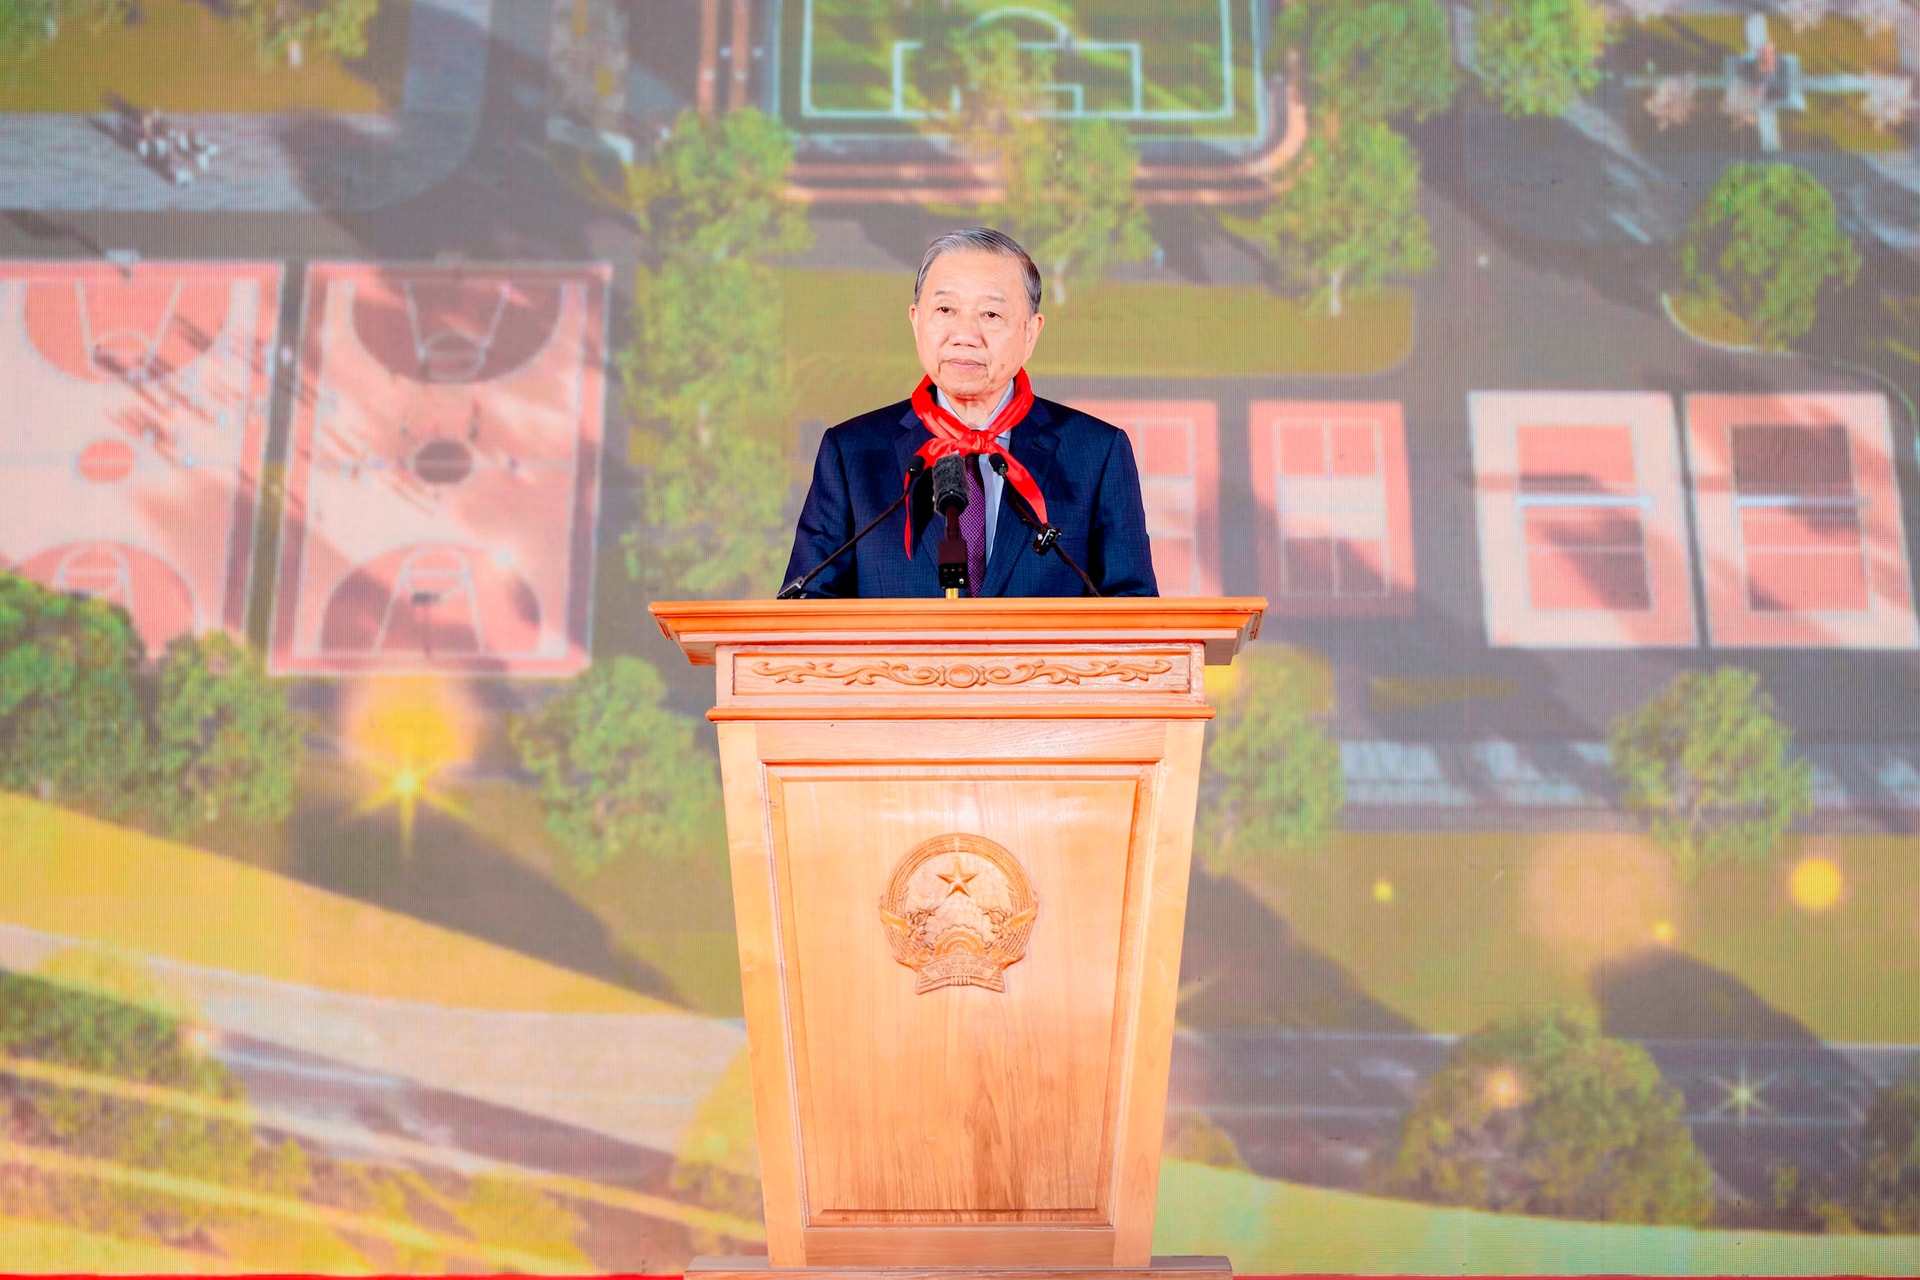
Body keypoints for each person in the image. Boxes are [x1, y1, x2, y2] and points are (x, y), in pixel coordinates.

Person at [784, 227, 1157, 598]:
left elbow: (1135, 613)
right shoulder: (850, 454)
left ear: (1030, 333)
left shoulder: (1096, 454)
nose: (964, 335)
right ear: (916, 320)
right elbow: (804, 608)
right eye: (945, 310)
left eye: (991, 314)